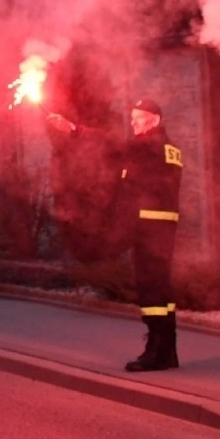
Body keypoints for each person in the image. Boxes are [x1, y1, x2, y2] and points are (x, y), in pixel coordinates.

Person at [48, 98, 182, 372]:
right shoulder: (166, 148)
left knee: (151, 289)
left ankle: (157, 353)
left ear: (155, 120)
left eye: (139, 117)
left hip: (150, 228)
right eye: (132, 116)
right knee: (161, 290)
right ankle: (167, 349)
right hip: (158, 227)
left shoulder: (151, 146)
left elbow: (114, 145)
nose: (132, 121)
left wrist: (75, 129)